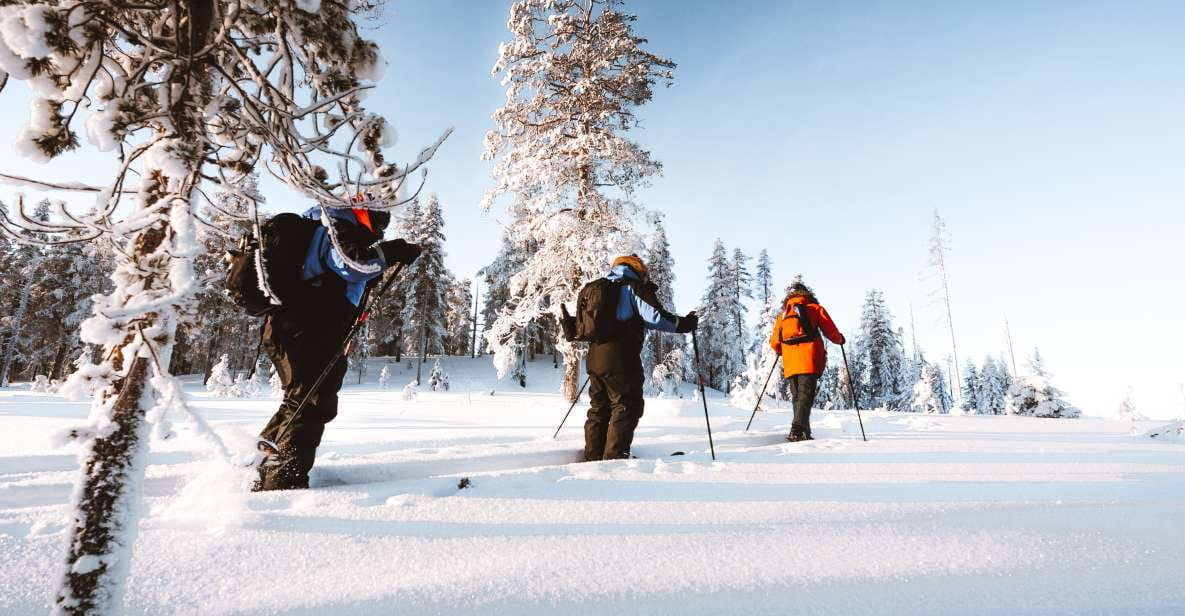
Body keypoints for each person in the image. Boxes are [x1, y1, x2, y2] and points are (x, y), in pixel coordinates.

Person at [254, 203, 420, 491]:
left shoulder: (334, 227)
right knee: (312, 401)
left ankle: (260, 465)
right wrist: (392, 252)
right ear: (363, 208)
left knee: (303, 399)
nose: (382, 225)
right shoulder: (336, 224)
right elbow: (352, 265)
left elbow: (349, 273)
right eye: (380, 217)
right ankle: (282, 483)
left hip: (302, 327)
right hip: (304, 326)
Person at [582, 255, 698, 461]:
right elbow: (656, 317)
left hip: (594, 357)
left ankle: (593, 457)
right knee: (626, 404)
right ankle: (614, 459)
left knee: (599, 407)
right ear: (638, 269)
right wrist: (685, 324)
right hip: (621, 356)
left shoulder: (595, 288)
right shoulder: (631, 287)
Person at [768, 279, 845, 442]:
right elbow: (830, 331)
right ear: (807, 294)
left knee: (797, 397)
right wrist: (840, 339)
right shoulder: (814, 308)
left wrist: (782, 350)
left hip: (790, 363)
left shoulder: (783, 315)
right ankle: (797, 430)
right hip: (809, 358)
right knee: (806, 396)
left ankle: (804, 432)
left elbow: (775, 342)